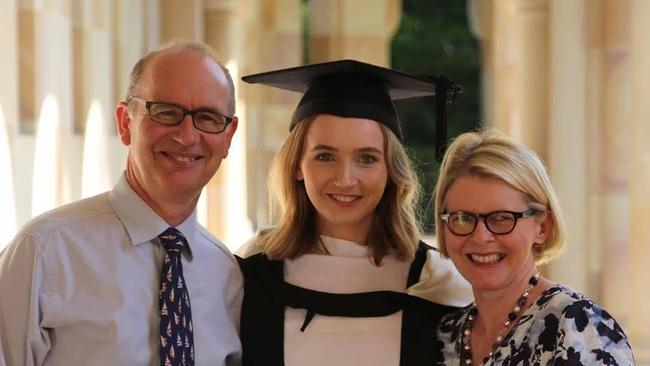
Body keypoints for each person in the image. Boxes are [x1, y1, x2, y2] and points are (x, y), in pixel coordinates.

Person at [0, 41, 242, 366]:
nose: (186, 135)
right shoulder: (45, 252)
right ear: (125, 123)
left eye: (208, 117)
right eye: (166, 112)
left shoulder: (226, 274)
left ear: (228, 136)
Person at [236, 60, 472, 366]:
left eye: (366, 158)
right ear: (297, 165)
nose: (345, 179)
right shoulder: (251, 274)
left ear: (391, 169)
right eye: (324, 156)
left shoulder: (434, 282)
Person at [433, 130, 635, 365]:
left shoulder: (577, 327)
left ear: (542, 227)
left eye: (501, 218)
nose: (480, 237)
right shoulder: (446, 333)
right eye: (463, 218)